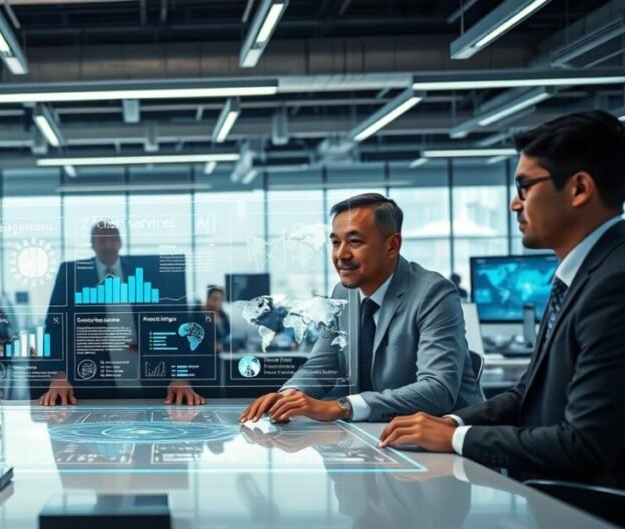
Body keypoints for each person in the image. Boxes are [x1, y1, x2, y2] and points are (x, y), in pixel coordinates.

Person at [379, 111, 625, 489]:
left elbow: (586, 444)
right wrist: (455, 422)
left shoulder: (614, 283)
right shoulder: (587, 273)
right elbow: (529, 392)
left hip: (594, 522)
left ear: (579, 189)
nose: (514, 204)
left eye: (525, 186)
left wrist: (456, 440)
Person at [240, 193, 482, 424]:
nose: (341, 255)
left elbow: (437, 390)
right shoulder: (342, 293)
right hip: (374, 436)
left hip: (445, 442)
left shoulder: (434, 294)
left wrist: (340, 407)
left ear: (392, 245)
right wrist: (288, 396)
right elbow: (321, 365)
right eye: (336, 242)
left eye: (354, 241)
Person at [38, 220, 205, 406]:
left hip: (143, 369)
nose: (108, 245)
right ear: (92, 245)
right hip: (93, 375)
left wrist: (179, 374)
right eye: (101, 241)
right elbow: (54, 327)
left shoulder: (145, 272)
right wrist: (59, 375)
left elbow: (168, 324)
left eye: (112, 240)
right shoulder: (71, 273)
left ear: (120, 243)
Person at [199, 285, 231, 353]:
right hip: (206, 353)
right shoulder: (201, 315)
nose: (218, 302)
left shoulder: (223, 315)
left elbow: (227, 333)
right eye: (215, 299)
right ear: (208, 299)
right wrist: (212, 346)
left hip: (221, 352)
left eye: (220, 300)